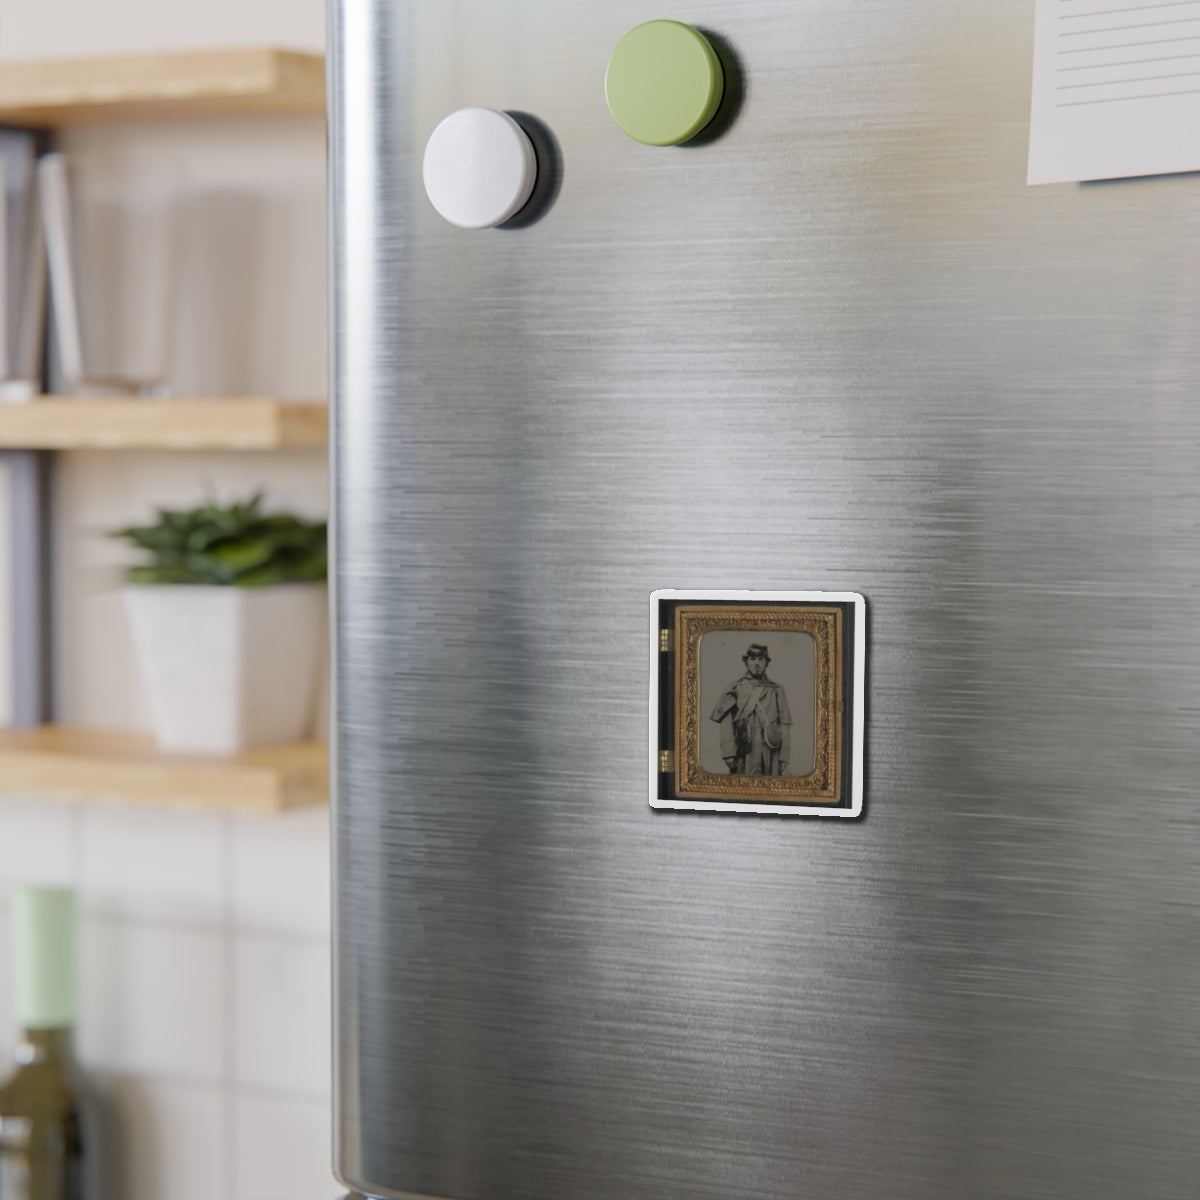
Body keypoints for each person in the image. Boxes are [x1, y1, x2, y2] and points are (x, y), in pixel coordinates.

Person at [710, 643, 792, 775]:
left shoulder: (776, 689)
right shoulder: (735, 687)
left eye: (761, 659)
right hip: (743, 750)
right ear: (746, 662)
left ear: (766, 663)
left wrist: (784, 756)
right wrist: (728, 753)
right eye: (752, 659)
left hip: (770, 750)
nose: (757, 663)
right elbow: (725, 720)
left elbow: (785, 723)